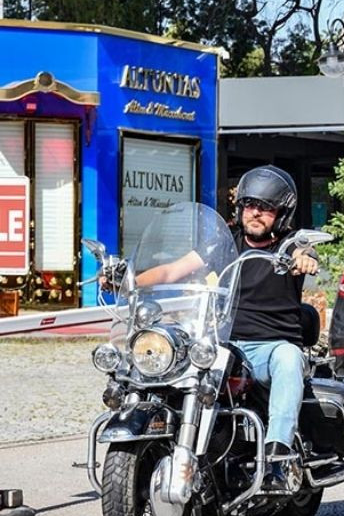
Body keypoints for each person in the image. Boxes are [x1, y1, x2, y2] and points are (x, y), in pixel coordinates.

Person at [133, 165, 319, 489]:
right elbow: (172, 271)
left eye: (266, 208)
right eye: (250, 205)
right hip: (223, 344)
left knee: (289, 359)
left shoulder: (289, 246)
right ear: (240, 207)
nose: (256, 213)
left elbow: (306, 253)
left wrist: (305, 260)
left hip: (269, 348)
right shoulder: (225, 245)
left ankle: (277, 457)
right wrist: (129, 280)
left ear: (281, 214)